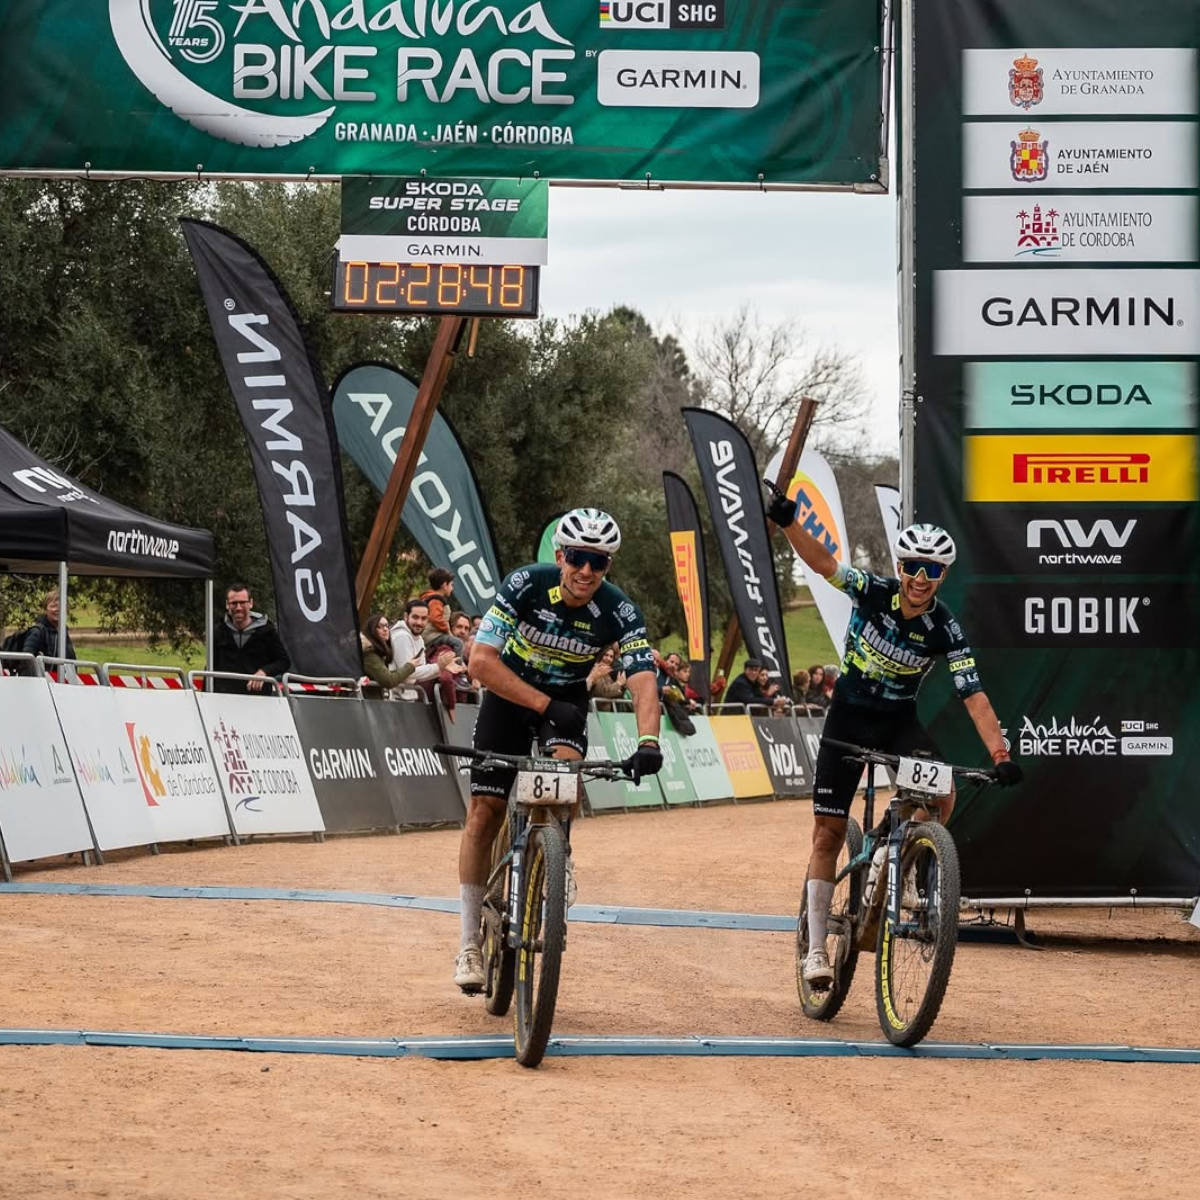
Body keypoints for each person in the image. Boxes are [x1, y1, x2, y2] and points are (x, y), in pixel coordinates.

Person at [764, 484, 1022, 989]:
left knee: (943, 792)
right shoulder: (873, 590)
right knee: (828, 834)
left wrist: (1000, 753)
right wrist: (791, 521)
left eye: (933, 570)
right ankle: (816, 950)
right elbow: (824, 564)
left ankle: (898, 855)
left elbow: (974, 694)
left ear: (943, 575)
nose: (920, 578)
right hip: (848, 716)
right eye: (912, 566)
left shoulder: (945, 628)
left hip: (897, 719)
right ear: (900, 566)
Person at [452, 507, 662, 992]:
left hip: (566, 702)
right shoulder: (524, 584)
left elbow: (643, 678)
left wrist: (649, 740)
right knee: (484, 810)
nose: (586, 571)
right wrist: (544, 703)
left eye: (599, 562)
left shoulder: (619, 610)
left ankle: (554, 856)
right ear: (559, 554)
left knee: (562, 781)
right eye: (577, 558)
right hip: (511, 693)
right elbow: (481, 662)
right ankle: (467, 942)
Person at [213, 584, 290, 695]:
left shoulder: (267, 631)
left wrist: (264, 672)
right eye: (234, 603)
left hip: (258, 699)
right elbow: (210, 667)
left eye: (242, 603)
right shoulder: (219, 631)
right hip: (224, 699)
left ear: (251, 603)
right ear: (227, 605)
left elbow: (283, 661)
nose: (238, 608)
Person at [389, 598, 444, 697]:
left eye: (423, 618)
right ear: (406, 616)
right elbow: (408, 672)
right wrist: (438, 667)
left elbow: (420, 673)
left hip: (408, 696)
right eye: (415, 617)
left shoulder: (418, 638)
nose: (419, 622)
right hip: (394, 698)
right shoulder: (402, 636)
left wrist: (443, 668)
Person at [360, 613, 419, 698]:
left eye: (387, 626)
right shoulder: (369, 654)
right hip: (366, 704)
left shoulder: (376, 653)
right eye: (380, 626)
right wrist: (410, 666)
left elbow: (384, 676)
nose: (385, 629)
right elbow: (388, 681)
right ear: (371, 630)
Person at [21, 588, 76, 665]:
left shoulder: (63, 633)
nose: (57, 609)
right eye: (53, 606)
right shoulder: (37, 632)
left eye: (62, 606)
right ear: (45, 609)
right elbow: (26, 659)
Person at [419, 568, 460, 650]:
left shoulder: (434, 598)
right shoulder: (435, 600)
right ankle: (457, 662)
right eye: (451, 585)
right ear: (444, 585)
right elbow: (435, 618)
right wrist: (447, 629)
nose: (452, 588)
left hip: (433, 635)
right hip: (431, 635)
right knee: (458, 643)